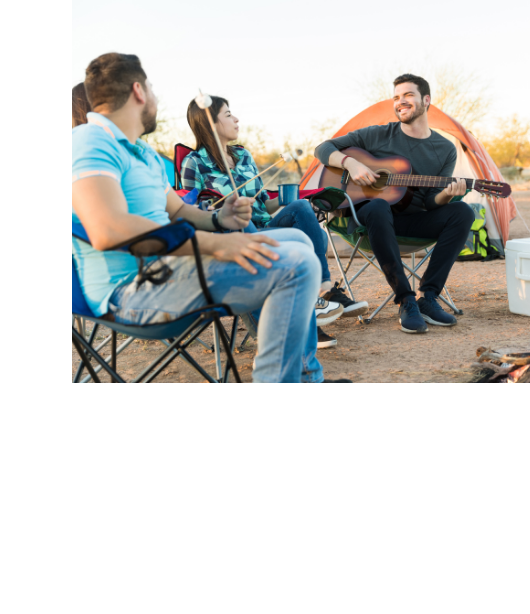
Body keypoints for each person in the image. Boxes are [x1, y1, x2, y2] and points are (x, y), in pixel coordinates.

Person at [73, 52, 338, 383]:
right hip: (132, 290)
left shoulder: (142, 152)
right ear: (139, 91)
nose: (155, 97)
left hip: (167, 270)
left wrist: (220, 219)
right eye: (152, 88)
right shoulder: (89, 139)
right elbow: (107, 229)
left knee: (298, 240)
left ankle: (303, 374)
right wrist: (217, 245)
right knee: (298, 265)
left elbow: (180, 210)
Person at [181, 95, 369, 349]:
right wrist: (223, 208)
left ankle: (322, 290)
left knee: (301, 206)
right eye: (228, 114)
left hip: (263, 226)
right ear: (210, 124)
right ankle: (306, 319)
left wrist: (284, 200)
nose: (236, 119)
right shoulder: (194, 163)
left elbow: (262, 203)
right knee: (241, 218)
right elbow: (192, 209)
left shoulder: (243, 155)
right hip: (232, 235)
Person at [314, 73, 474, 334]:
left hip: (411, 221)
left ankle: (428, 298)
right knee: (378, 206)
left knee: (462, 212)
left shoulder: (445, 148)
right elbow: (323, 148)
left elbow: (432, 204)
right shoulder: (378, 135)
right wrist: (351, 163)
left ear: (426, 100)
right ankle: (405, 299)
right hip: (369, 220)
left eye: (408, 95)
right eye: (396, 97)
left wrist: (446, 195)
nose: (401, 101)